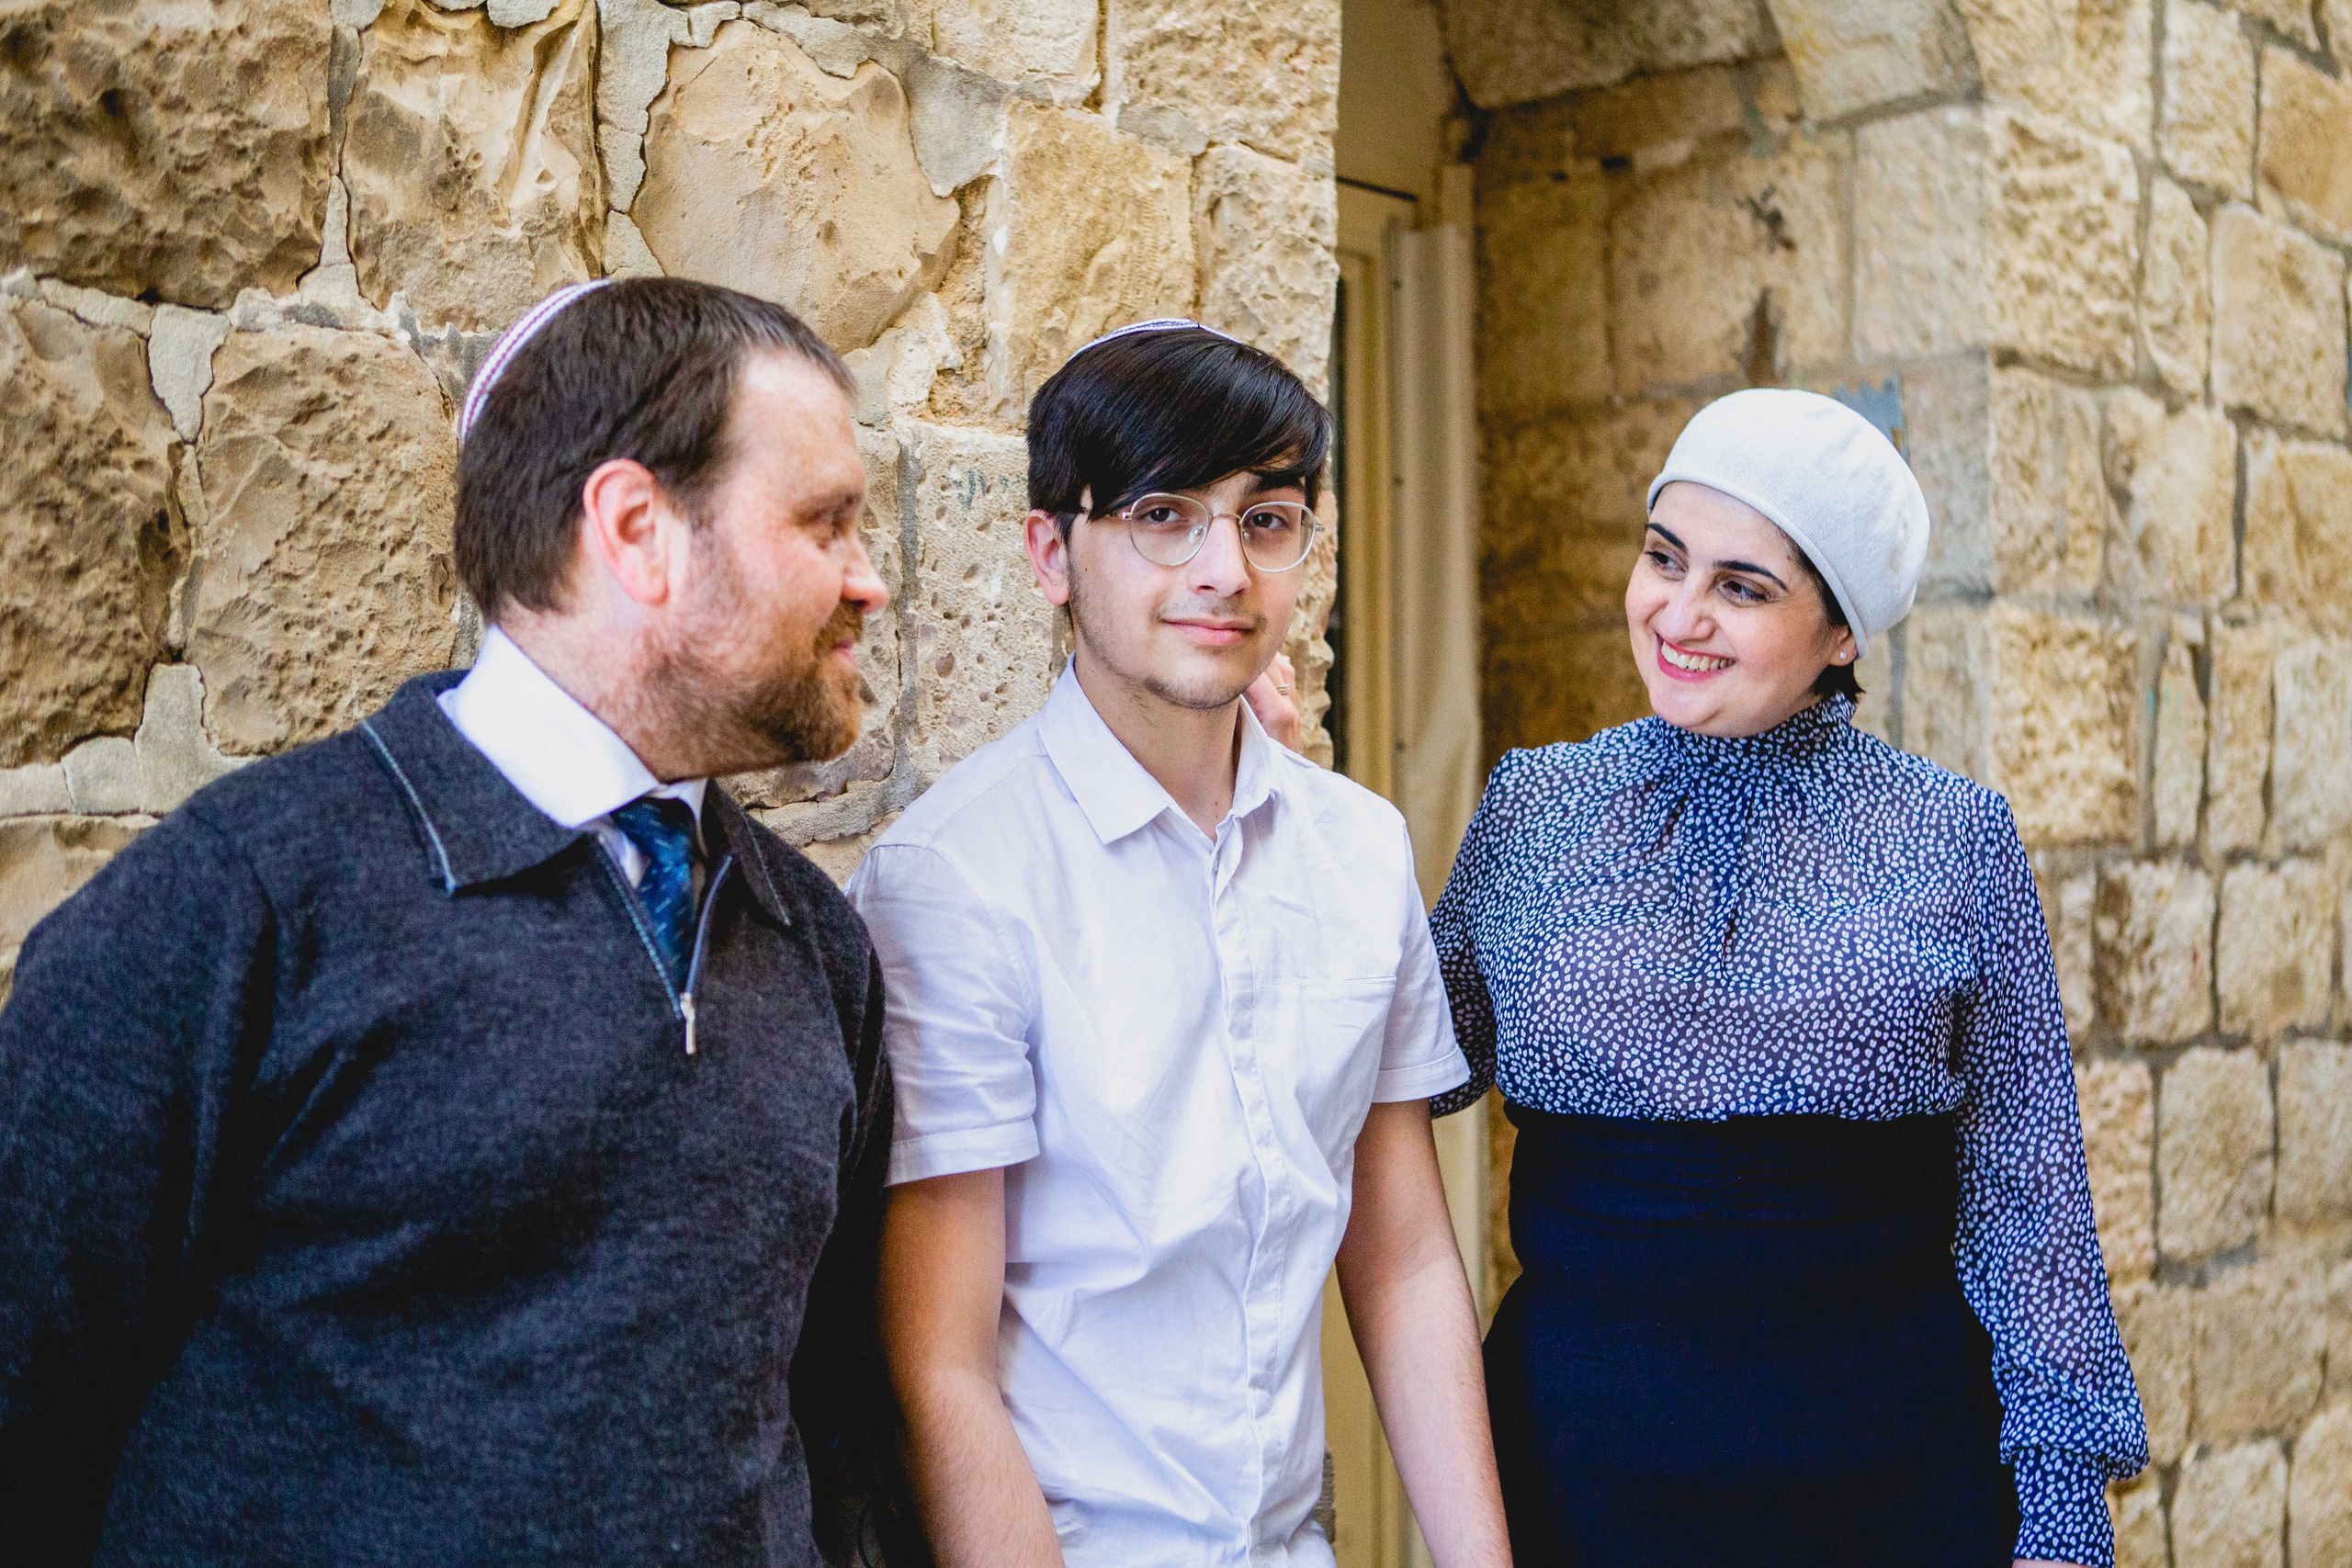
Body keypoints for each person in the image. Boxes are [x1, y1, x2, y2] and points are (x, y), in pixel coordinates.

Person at [0, 277, 899, 1568]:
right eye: (827, 522)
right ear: (638, 528)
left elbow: (830, 1418)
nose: (870, 582)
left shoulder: (814, 943)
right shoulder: (237, 905)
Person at [1431, 389, 2148, 1568]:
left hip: (1898, 1483)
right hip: (1577, 1480)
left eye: (1742, 587)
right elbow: (1396, 1069)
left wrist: (2064, 1523)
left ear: (1842, 634)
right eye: (1664, 559)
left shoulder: (1952, 837)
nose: (1679, 612)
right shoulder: (1533, 810)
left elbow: (2028, 1203)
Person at [848, 320, 1512, 1568]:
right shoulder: (954, 877)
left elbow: (1407, 1252)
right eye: (1165, 515)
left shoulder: (1360, 848)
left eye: (1266, 519)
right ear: (1052, 550)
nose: (1226, 568)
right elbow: (939, 1361)